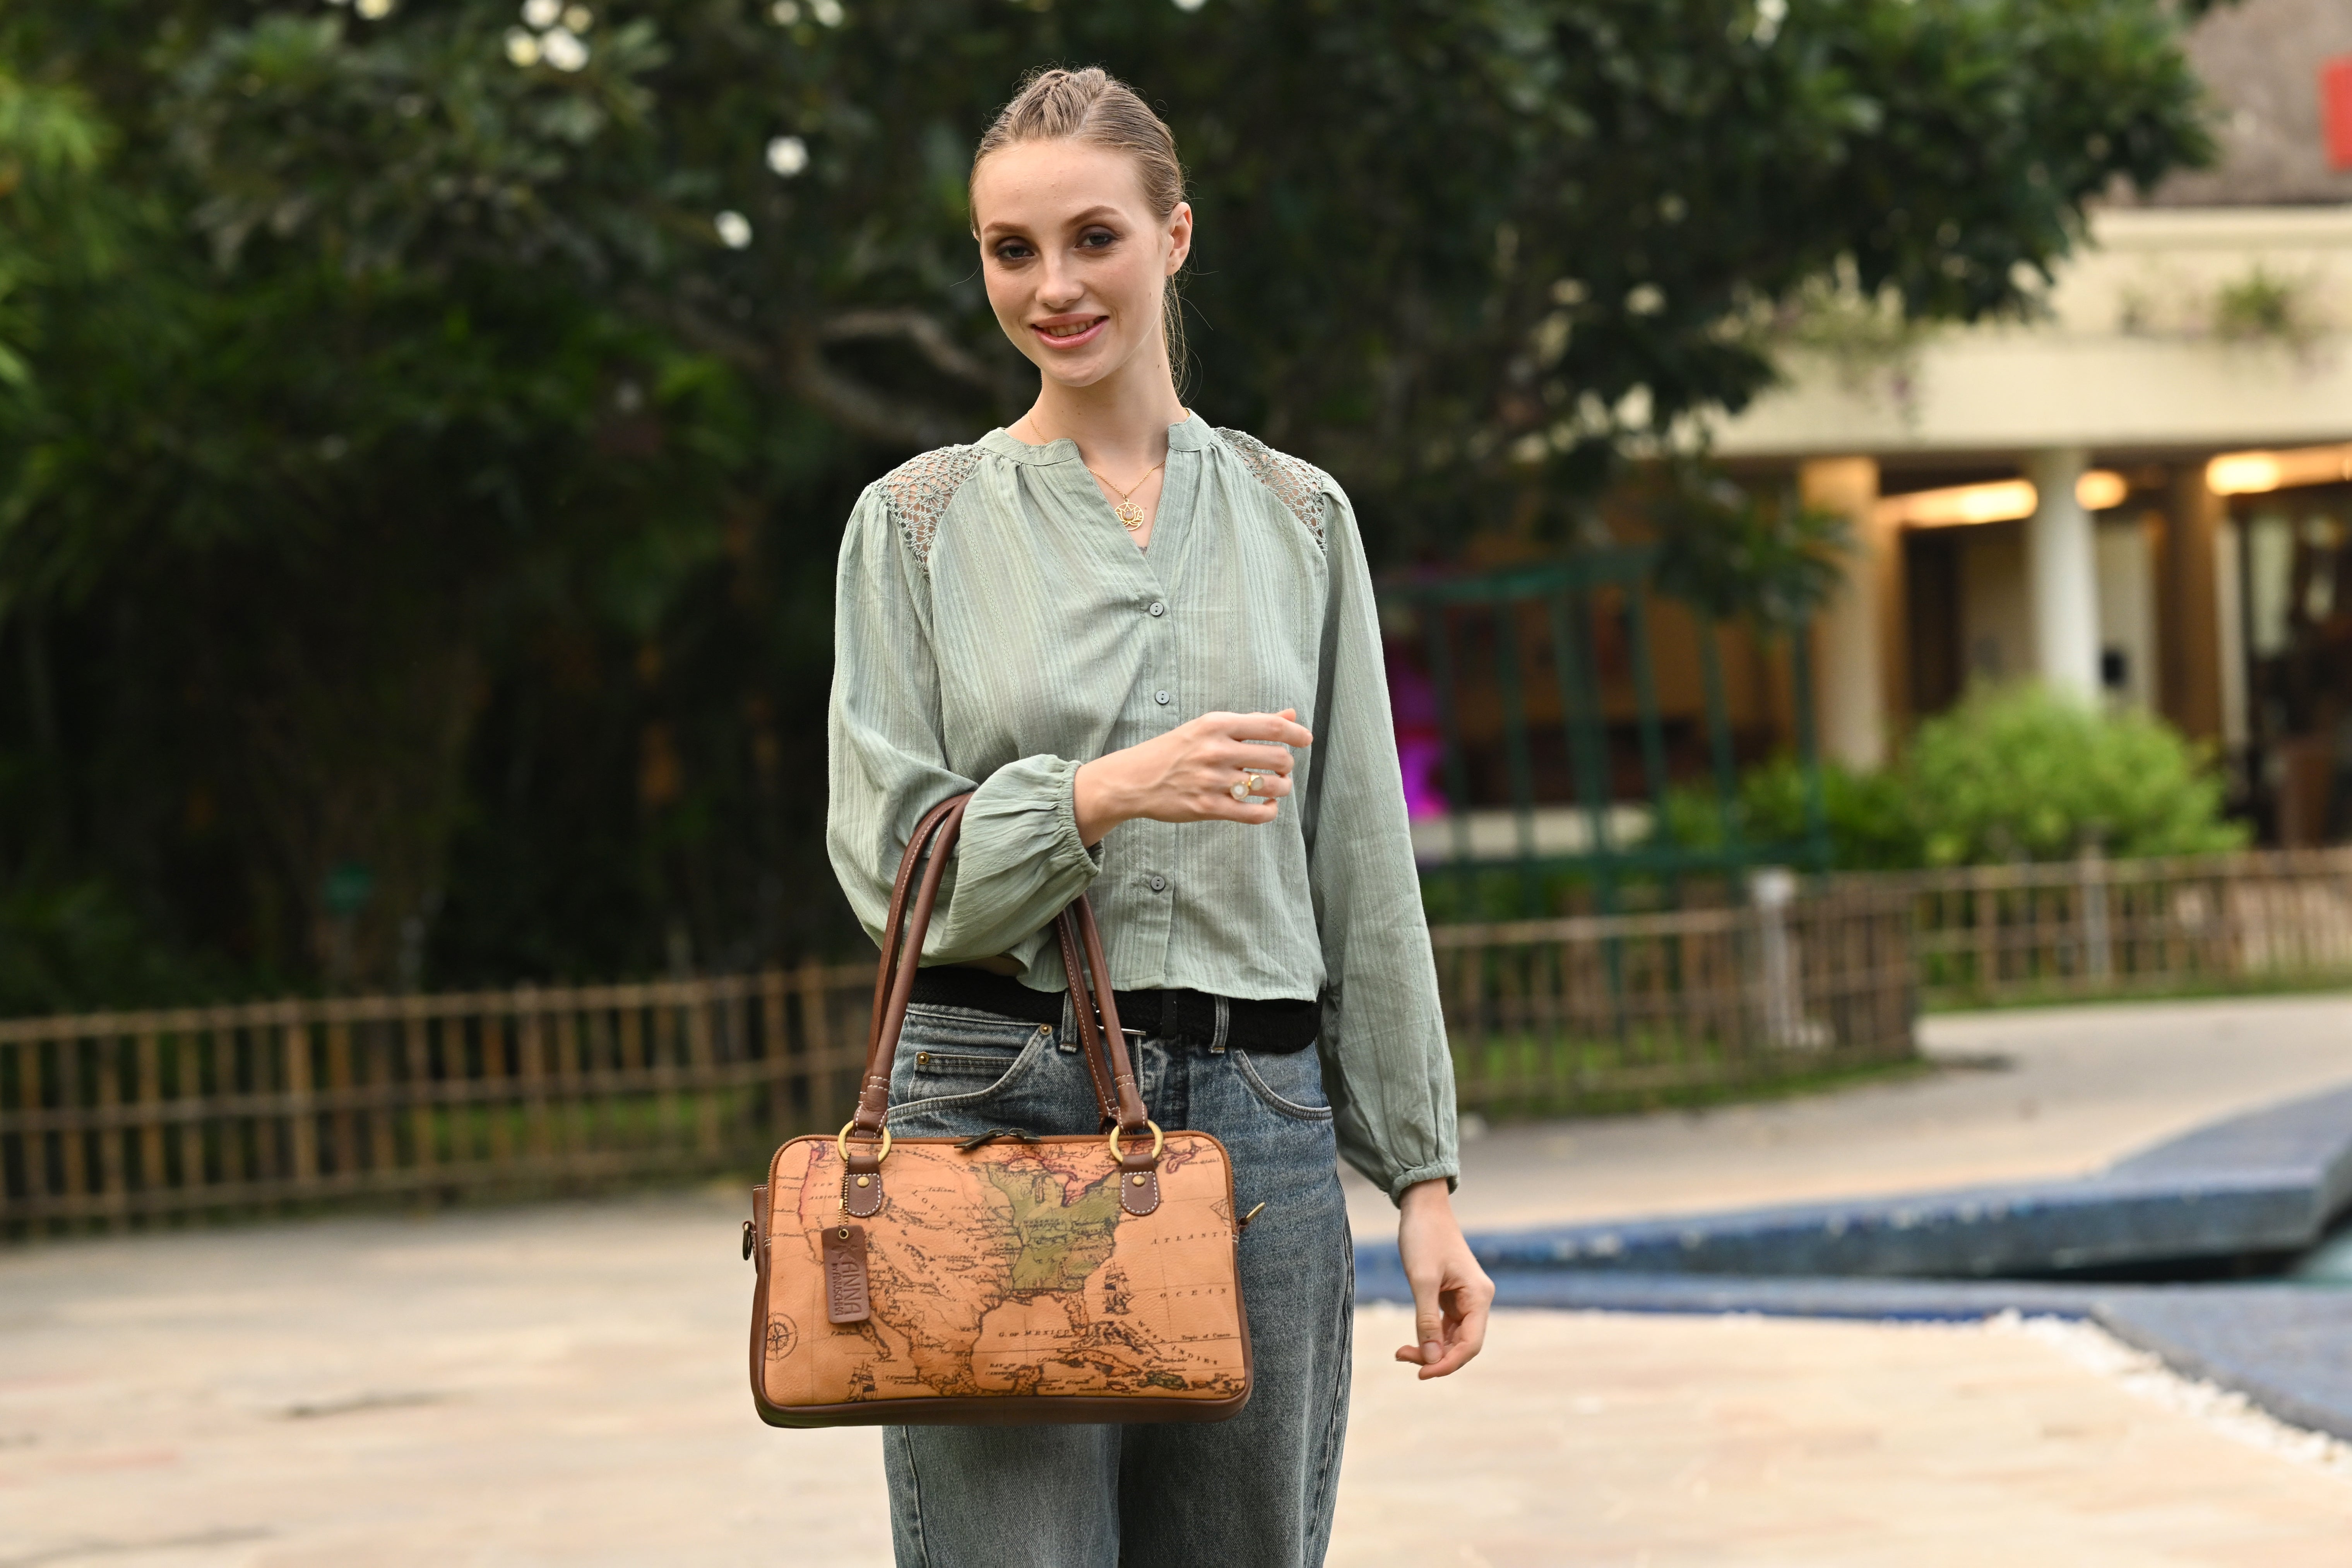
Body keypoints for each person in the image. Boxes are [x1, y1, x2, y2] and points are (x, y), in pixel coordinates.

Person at [825, 65, 1494, 1568]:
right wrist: (1101, 792)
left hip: (1260, 1124)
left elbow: (1361, 866)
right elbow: (886, 864)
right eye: (1012, 250)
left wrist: (1423, 1180)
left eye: (1093, 238)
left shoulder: (1299, 517)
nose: (1052, 287)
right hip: (995, 1106)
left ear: (1173, 237)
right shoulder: (916, 524)